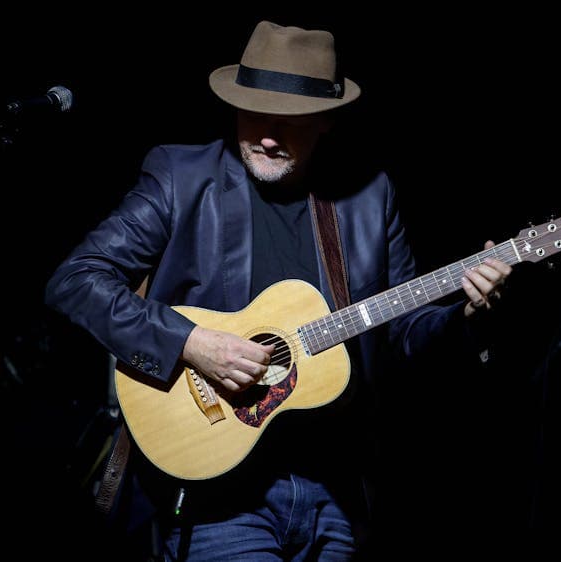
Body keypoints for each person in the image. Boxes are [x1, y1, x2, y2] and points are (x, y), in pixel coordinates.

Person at [45, 20, 512, 560]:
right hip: (220, 498)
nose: (266, 134)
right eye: (252, 113)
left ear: (328, 122)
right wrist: (192, 342)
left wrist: (472, 317)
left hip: (335, 497)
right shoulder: (182, 176)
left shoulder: (367, 199)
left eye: (287, 121)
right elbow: (76, 280)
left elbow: (405, 332)